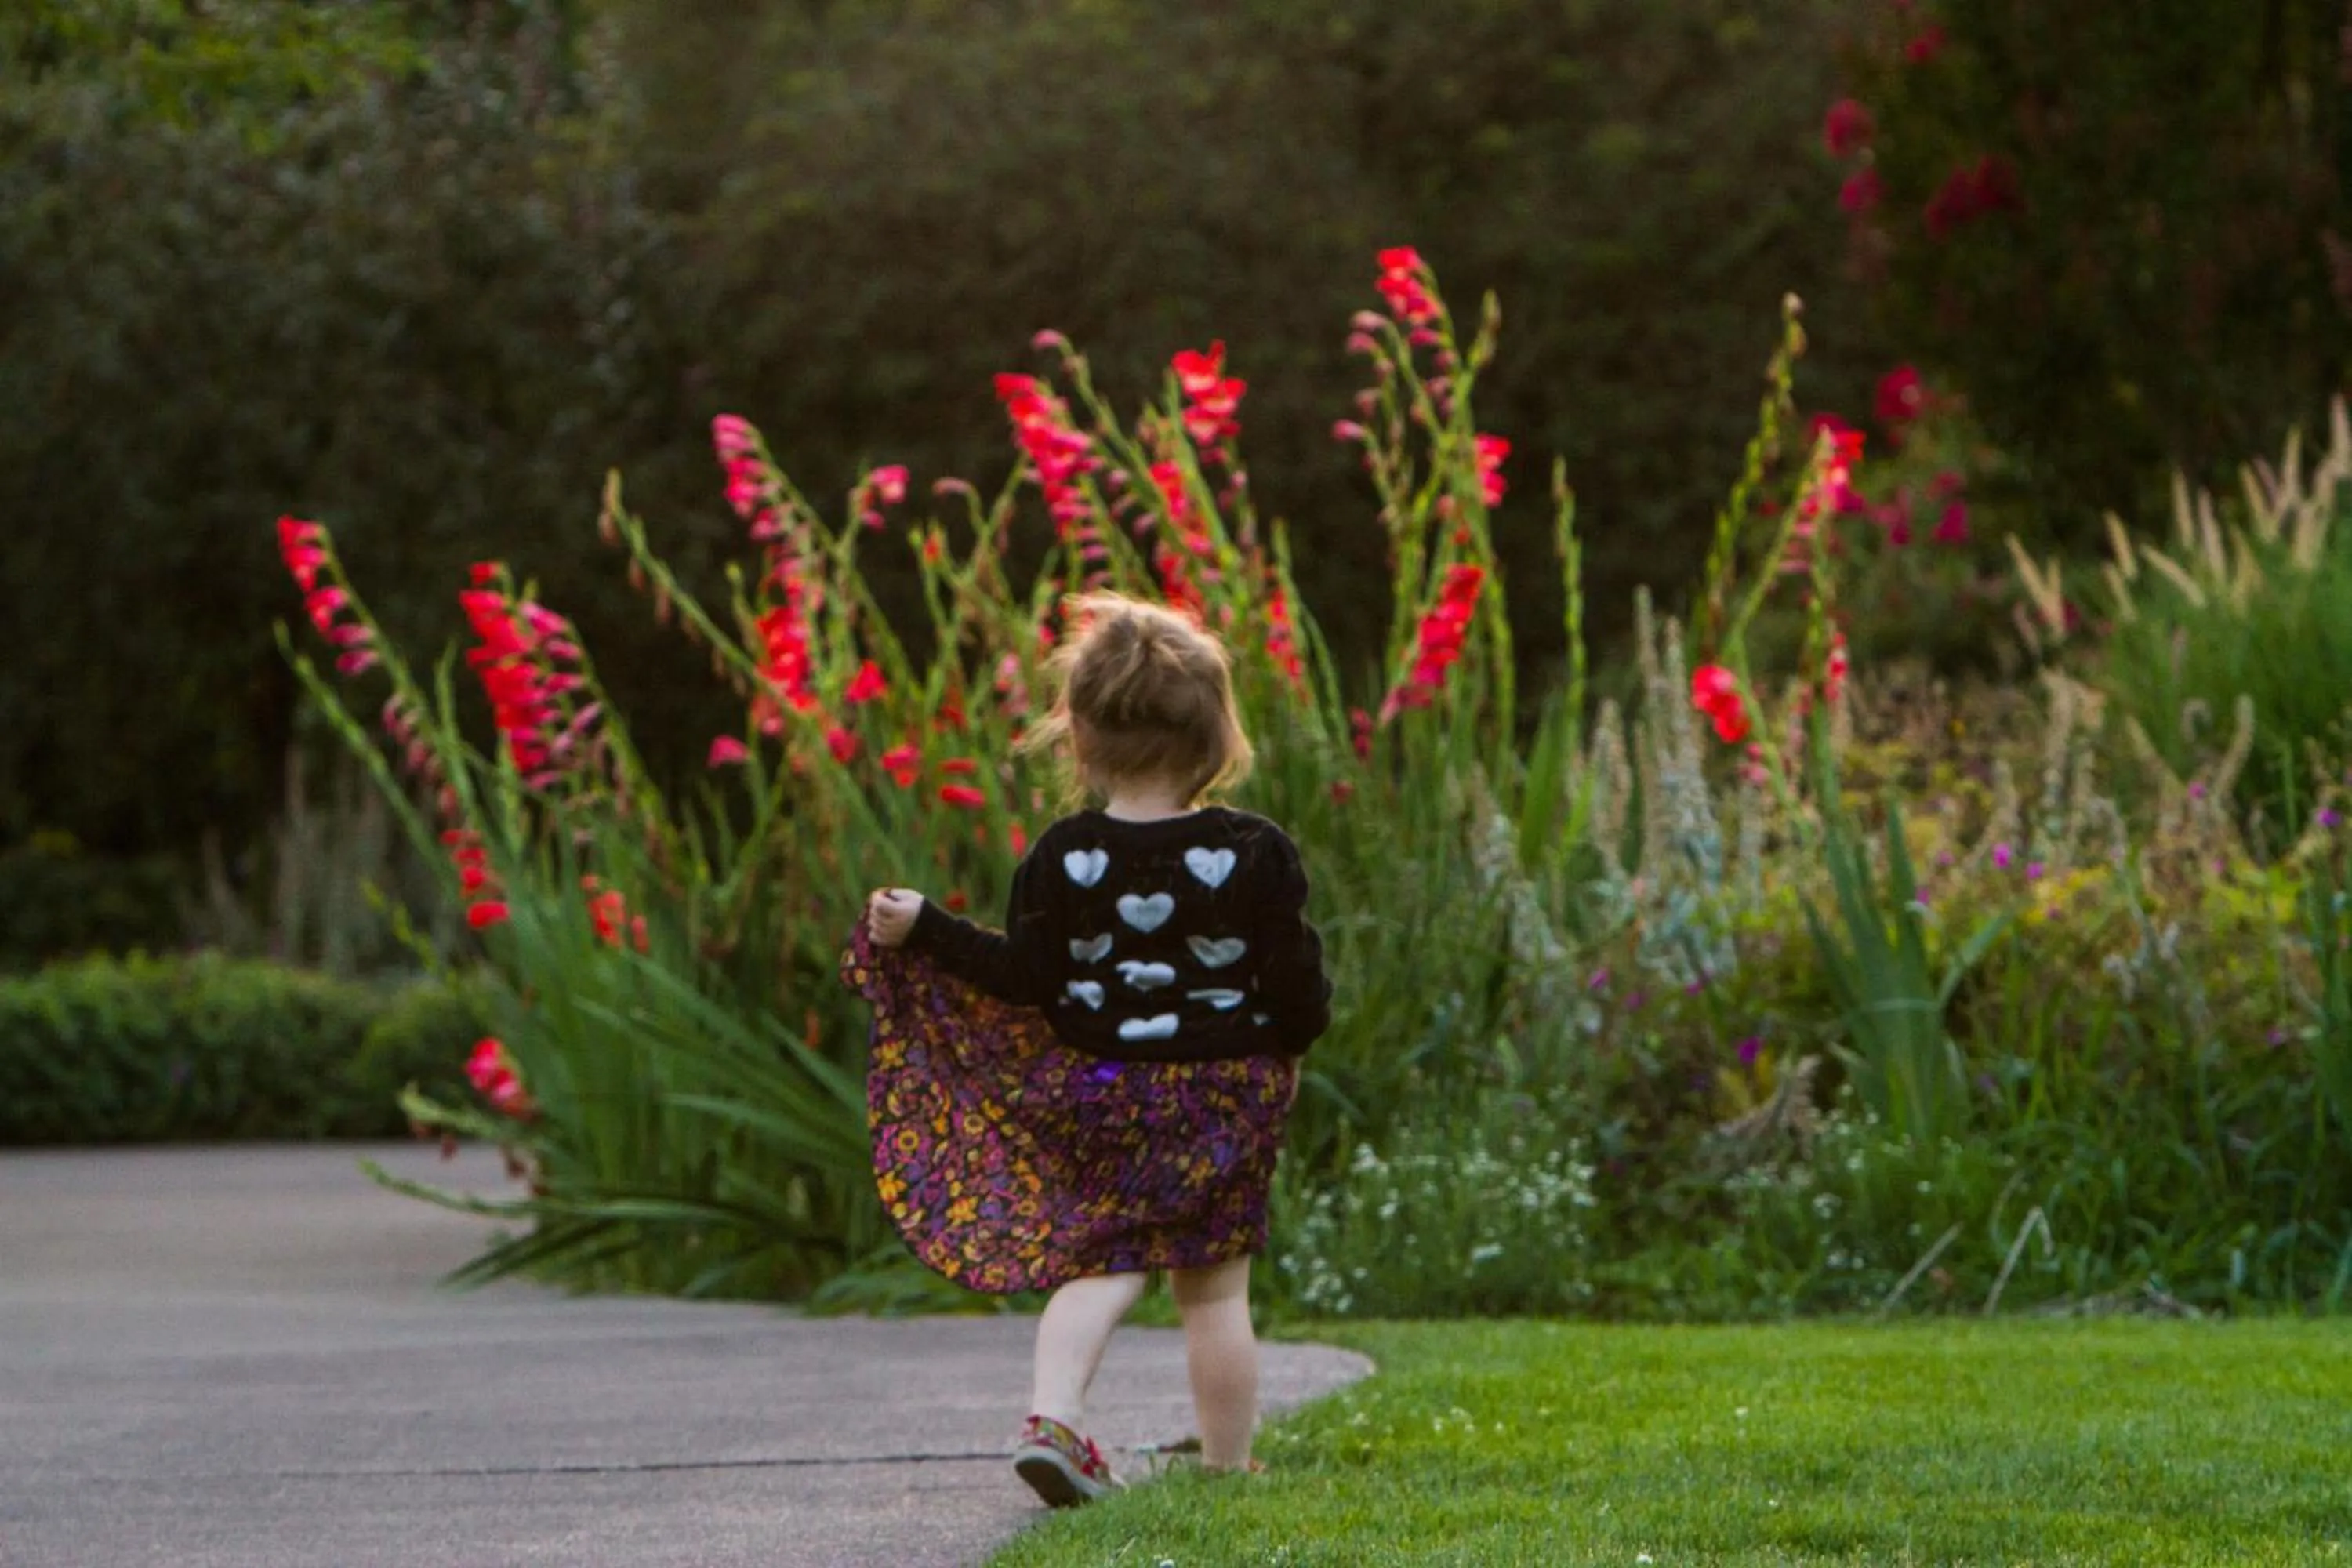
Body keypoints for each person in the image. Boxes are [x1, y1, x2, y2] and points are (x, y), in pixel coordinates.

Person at [842, 591, 1332, 1509]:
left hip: (1102, 1091)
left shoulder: (1063, 855)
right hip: (1227, 1093)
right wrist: (1291, 1051)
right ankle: (1228, 1465)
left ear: (1080, 738)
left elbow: (1024, 975)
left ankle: (1053, 1417)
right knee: (1214, 1290)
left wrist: (929, 927)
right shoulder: (1255, 850)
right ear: (1216, 735)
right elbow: (1295, 981)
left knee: (1102, 1262)